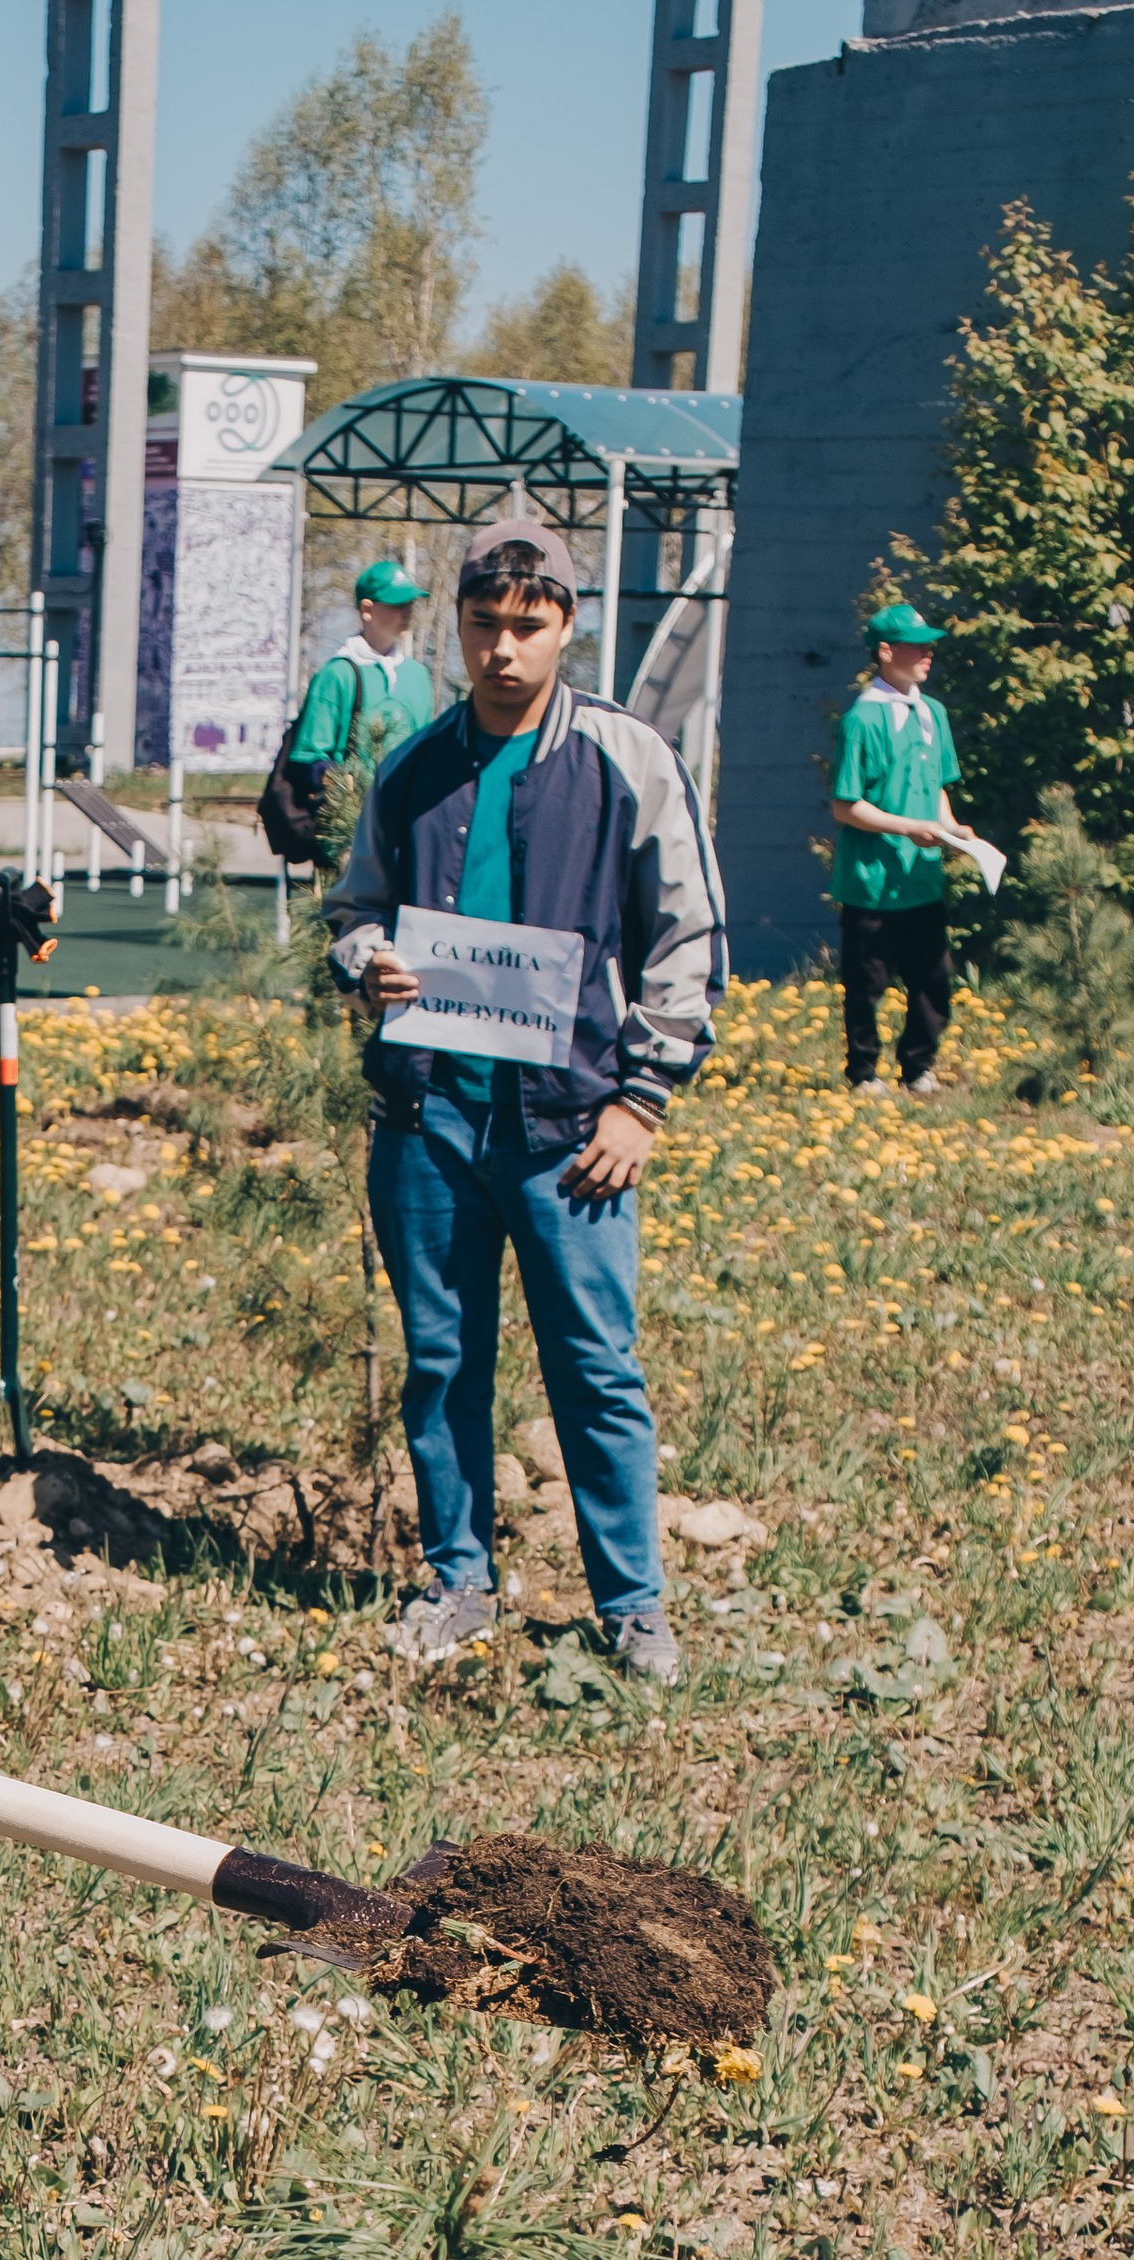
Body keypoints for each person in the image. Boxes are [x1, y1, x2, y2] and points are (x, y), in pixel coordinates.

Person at [326, 517, 726, 1690]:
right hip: (428, 1121)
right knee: (441, 1361)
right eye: (484, 624)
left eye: (529, 625)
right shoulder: (411, 768)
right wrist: (367, 962)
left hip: (573, 1131)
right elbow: (353, 908)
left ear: (567, 626)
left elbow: (686, 935)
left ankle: (632, 1607)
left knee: (594, 1369)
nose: (503, 648)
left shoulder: (626, 758)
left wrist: (641, 1100)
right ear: (455, 626)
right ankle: (458, 1582)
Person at [832, 599, 970, 1099]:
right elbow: (846, 806)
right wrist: (908, 826)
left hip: (921, 878)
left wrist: (953, 829)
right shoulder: (863, 719)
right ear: (886, 651)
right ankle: (864, 1074)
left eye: (930, 646)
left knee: (933, 979)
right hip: (871, 882)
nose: (928, 654)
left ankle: (917, 1069)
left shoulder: (933, 713)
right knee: (867, 985)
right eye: (917, 646)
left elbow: (937, 785)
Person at [288, 559, 437, 789]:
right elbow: (308, 758)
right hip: (350, 820)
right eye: (397, 604)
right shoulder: (337, 675)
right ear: (367, 610)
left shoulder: (418, 676)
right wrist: (342, 787)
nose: (407, 611)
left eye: (410, 604)